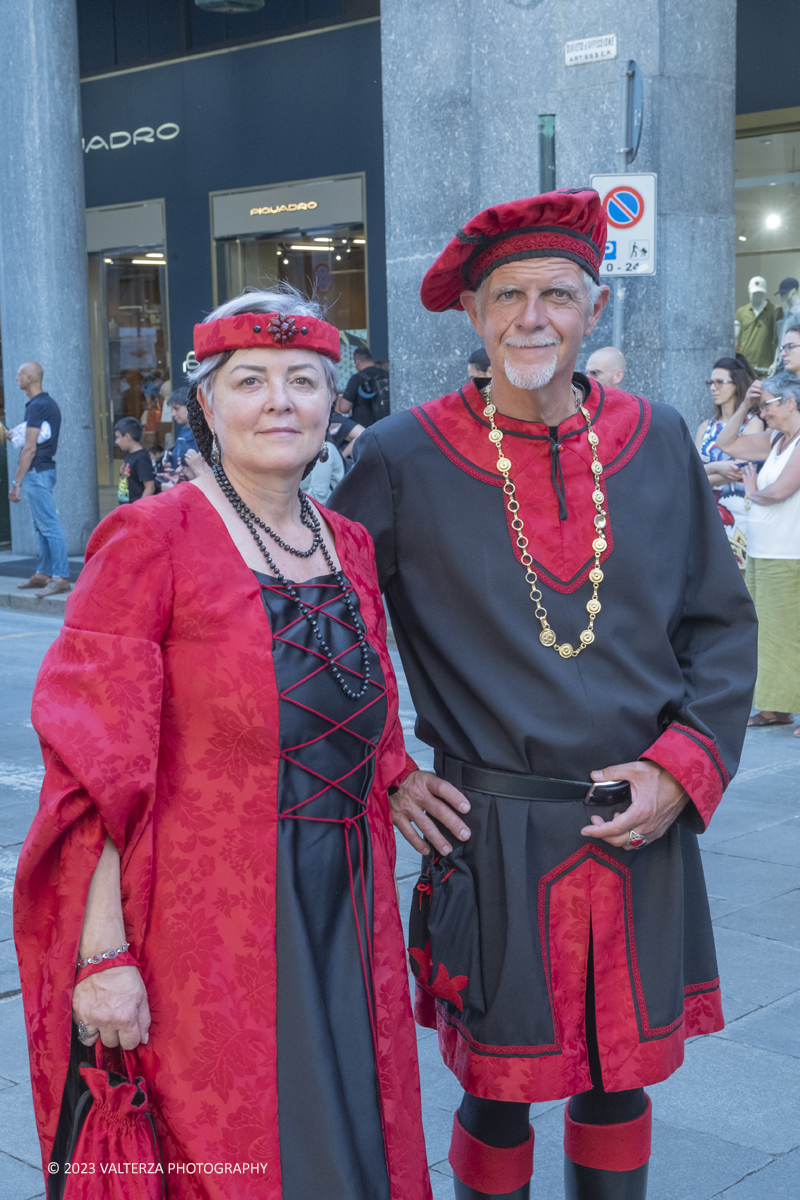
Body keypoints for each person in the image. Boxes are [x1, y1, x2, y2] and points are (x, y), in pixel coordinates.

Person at [331, 190, 757, 1200]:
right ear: (473, 313)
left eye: (557, 295)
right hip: (492, 830)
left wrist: (679, 770)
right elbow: (330, 631)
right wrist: (386, 767)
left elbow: (720, 627)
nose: (533, 316)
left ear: (592, 310)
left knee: (619, 1085)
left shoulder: (653, 438)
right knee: (496, 1090)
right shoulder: (398, 454)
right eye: (509, 294)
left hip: (639, 824)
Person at [14, 287, 431, 1199]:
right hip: (212, 915)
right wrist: (103, 956)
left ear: (334, 401)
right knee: (239, 1153)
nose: (280, 401)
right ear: (206, 404)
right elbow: (92, 771)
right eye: (251, 380)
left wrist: (394, 771)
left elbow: (359, 689)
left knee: (354, 1142)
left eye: (304, 380)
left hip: (348, 900)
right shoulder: (148, 537)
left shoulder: (349, 542)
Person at [714, 372, 800, 735]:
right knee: (766, 633)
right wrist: (746, 405)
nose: (764, 413)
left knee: (791, 633)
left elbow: (779, 491)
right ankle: (774, 707)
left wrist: (750, 488)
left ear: (791, 402)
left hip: (790, 554)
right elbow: (726, 441)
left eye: (767, 405)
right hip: (765, 553)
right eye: (760, 405)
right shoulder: (776, 440)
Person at [8, 361, 71, 598]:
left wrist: (16, 482)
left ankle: (60, 577)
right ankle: (43, 574)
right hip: (43, 471)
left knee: (49, 526)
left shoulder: (38, 405)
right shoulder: (45, 404)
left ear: (31, 378)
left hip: (37, 472)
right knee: (42, 525)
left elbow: (30, 448)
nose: (16, 378)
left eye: (20, 374)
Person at [694, 356, 762, 572]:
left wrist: (705, 474)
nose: (713, 388)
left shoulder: (753, 423)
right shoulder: (705, 427)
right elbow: (690, 475)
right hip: (707, 512)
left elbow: (738, 470)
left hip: (738, 512)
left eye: (720, 382)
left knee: (739, 578)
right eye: (710, 382)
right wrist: (716, 468)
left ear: (737, 384)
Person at [341, 347, 391, 426]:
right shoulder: (387, 375)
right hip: (386, 426)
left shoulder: (356, 378)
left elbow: (344, 408)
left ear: (357, 362)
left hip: (364, 430)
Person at [114, 417, 156, 505]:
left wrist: (138, 509)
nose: (116, 442)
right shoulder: (130, 455)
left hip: (135, 511)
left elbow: (150, 487)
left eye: (118, 437)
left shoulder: (141, 458)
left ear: (127, 437)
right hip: (127, 509)